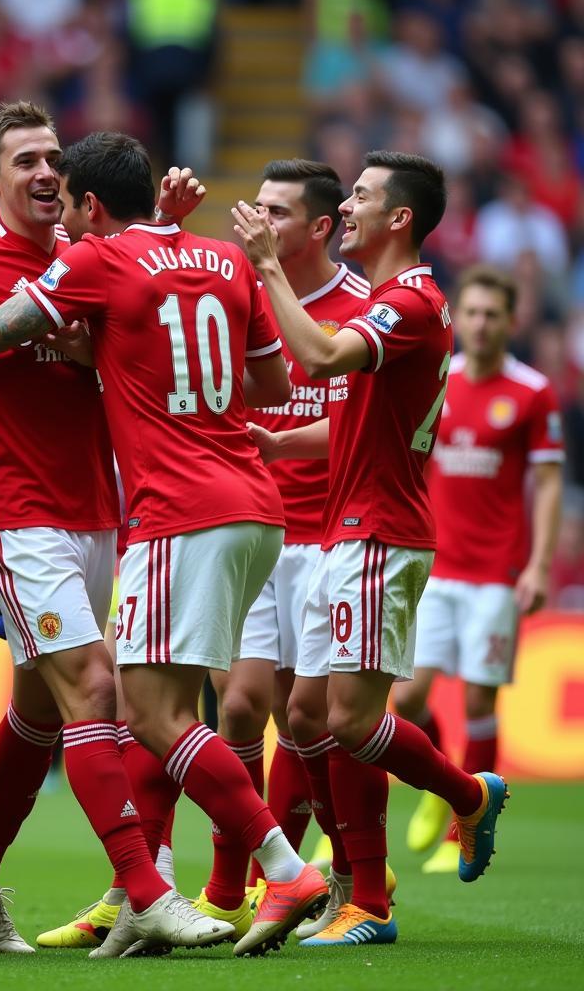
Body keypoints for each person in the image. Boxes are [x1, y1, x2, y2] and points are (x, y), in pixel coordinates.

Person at [0, 130, 332, 960]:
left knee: (43, 710)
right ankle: (148, 888)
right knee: (102, 690)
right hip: (22, 507)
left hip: (110, 509)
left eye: (55, 165)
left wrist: (53, 321)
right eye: (27, 161)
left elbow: (42, 328)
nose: (44, 176)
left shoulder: (89, 254)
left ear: (84, 199)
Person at [234, 150, 509, 948]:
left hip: (377, 533)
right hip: (347, 532)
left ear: (400, 219)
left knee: (351, 720)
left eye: (361, 196)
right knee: (308, 712)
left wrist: (265, 270)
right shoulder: (393, 303)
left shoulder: (408, 304)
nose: (347, 207)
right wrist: (276, 445)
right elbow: (351, 420)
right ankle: (356, 889)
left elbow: (318, 357)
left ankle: (458, 805)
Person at [202, 159, 372, 919]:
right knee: (238, 709)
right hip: (251, 530)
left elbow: (372, 430)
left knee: (307, 723)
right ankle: (232, 886)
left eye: (276, 212)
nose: (258, 222)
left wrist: (278, 444)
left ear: (321, 227)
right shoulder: (231, 296)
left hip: (330, 539)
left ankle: (351, 874)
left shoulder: (364, 307)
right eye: (258, 207)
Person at [393, 265, 562, 873]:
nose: (481, 324)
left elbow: (546, 482)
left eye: (493, 314)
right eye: (472, 312)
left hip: (496, 574)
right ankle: (446, 790)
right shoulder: (440, 381)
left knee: (480, 697)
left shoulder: (532, 392)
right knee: (405, 701)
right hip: (434, 567)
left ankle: (458, 835)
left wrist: (538, 565)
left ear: (510, 322)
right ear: (456, 317)